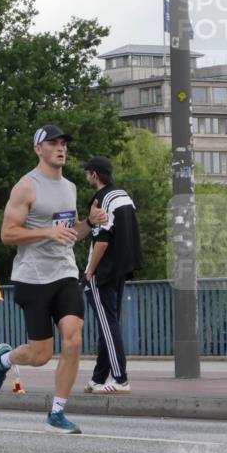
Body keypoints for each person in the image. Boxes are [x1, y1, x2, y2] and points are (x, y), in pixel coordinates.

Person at [0, 125, 107, 433]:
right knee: (40, 355)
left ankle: (57, 412)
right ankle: (4, 359)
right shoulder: (26, 187)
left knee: (73, 339)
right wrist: (45, 232)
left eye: (63, 143)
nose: (60, 147)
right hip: (33, 277)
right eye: (53, 142)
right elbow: (7, 234)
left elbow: (70, 235)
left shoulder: (70, 188)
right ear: (38, 149)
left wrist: (89, 223)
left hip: (65, 272)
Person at [81, 156, 144, 395]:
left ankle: (120, 379)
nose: (86, 176)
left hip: (103, 271)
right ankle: (98, 378)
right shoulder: (123, 195)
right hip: (121, 269)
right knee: (110, 324)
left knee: (108, 326)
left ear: (95, 175)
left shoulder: (101, 200)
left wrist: (89, 272)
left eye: (88, 173)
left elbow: (102, 241)